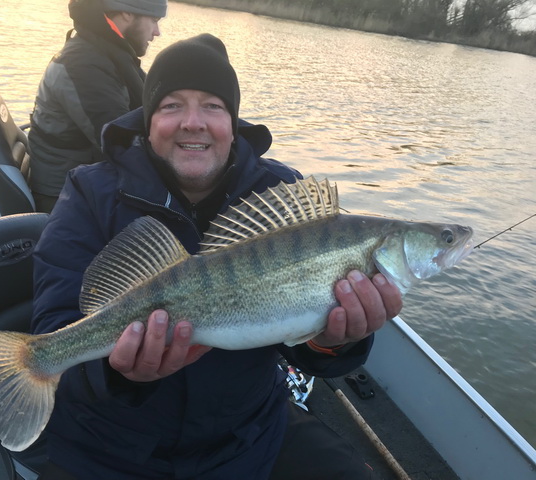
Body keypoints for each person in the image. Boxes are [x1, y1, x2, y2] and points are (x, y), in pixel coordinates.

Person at [31, 34, 403, 480]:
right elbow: (57, 326)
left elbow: (309, 349)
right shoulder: (89, 193)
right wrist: (119, 375)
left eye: (213, 105)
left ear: (232, 121)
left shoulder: (282, 196)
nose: (193, 122)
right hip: (110, 448)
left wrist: (336, 341)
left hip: (247, 436)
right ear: (148, 121)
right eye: (171, 106)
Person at [28, 0, 167, 213]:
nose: (157, 32)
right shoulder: (84, 65)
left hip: (86, 175)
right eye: (154, 20)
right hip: (63, 197)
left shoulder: (105, 51)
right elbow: (120, 142)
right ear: (127, 14)